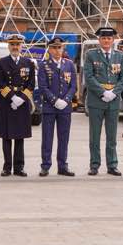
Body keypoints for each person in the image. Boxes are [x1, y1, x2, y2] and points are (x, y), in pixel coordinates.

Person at [83, 26, 123, 176]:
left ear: (113, 40)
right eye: (103, 38)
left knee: (112, 135)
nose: (106, 41)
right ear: (99, 39)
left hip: (113, 100)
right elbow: (88, 77)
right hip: (96, 100)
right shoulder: (91, 55)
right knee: (95, 135)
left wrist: (114, 93)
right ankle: (94, 165)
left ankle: (112, 165)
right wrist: (103, 92)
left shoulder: (119, 56)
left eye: (109, 38)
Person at [0, 34, 34, 177]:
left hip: (22, 103)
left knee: (20, 136)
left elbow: (31, 84)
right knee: (7, 136)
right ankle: (7, 167)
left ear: (22, 46)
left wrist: (21, 98)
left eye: (18, 44)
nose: (15, 47)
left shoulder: (28, 63)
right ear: (8, 46)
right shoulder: (1, 62)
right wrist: (12, 98)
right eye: (12, 44)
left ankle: (19, 167)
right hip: (7, 102)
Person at [38, 37, 76, 177]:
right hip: (49, 107)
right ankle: (45, 165)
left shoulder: (69, 64)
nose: (57, 50)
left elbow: (73, 86)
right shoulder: (43, 65)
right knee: (47, 137)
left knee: (64, 137)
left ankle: (62, 166)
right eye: (54, 47)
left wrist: (66, 100)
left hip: (65, 108)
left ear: (63, 48)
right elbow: (42, 87)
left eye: (59, 47)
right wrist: (55, 100)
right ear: (49, 49)